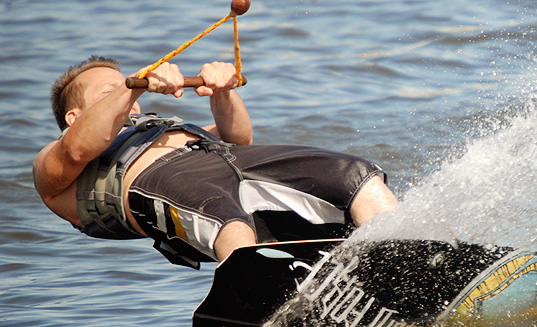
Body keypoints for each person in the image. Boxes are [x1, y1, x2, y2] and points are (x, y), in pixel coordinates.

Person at [34, 56, 398, 268]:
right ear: (73, 116)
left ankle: (399, 256)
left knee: (355, 175)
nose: (127, 95)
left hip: (225, 158)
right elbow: (79, 151)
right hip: (168, 183)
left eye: (124, 85)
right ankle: (258, 294)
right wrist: (132, 86)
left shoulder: (164, 127)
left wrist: (223, 92)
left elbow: (238, 138)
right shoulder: (53, 162)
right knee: (228, 222)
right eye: (108, 92)